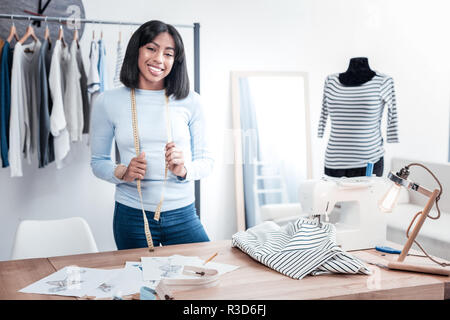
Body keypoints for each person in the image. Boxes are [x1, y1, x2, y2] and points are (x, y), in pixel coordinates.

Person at [90, 20, 213, 250]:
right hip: (131, 215)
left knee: (199, 279)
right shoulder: (108, 101)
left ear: (175, 61)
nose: (159, 59)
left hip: (183, 214)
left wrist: (183, 169)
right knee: (139, 284)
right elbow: (98, 162)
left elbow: (207, 162)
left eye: (168, 53)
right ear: (136, 49)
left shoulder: (192, 101)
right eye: (151, 48)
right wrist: (122, 172)